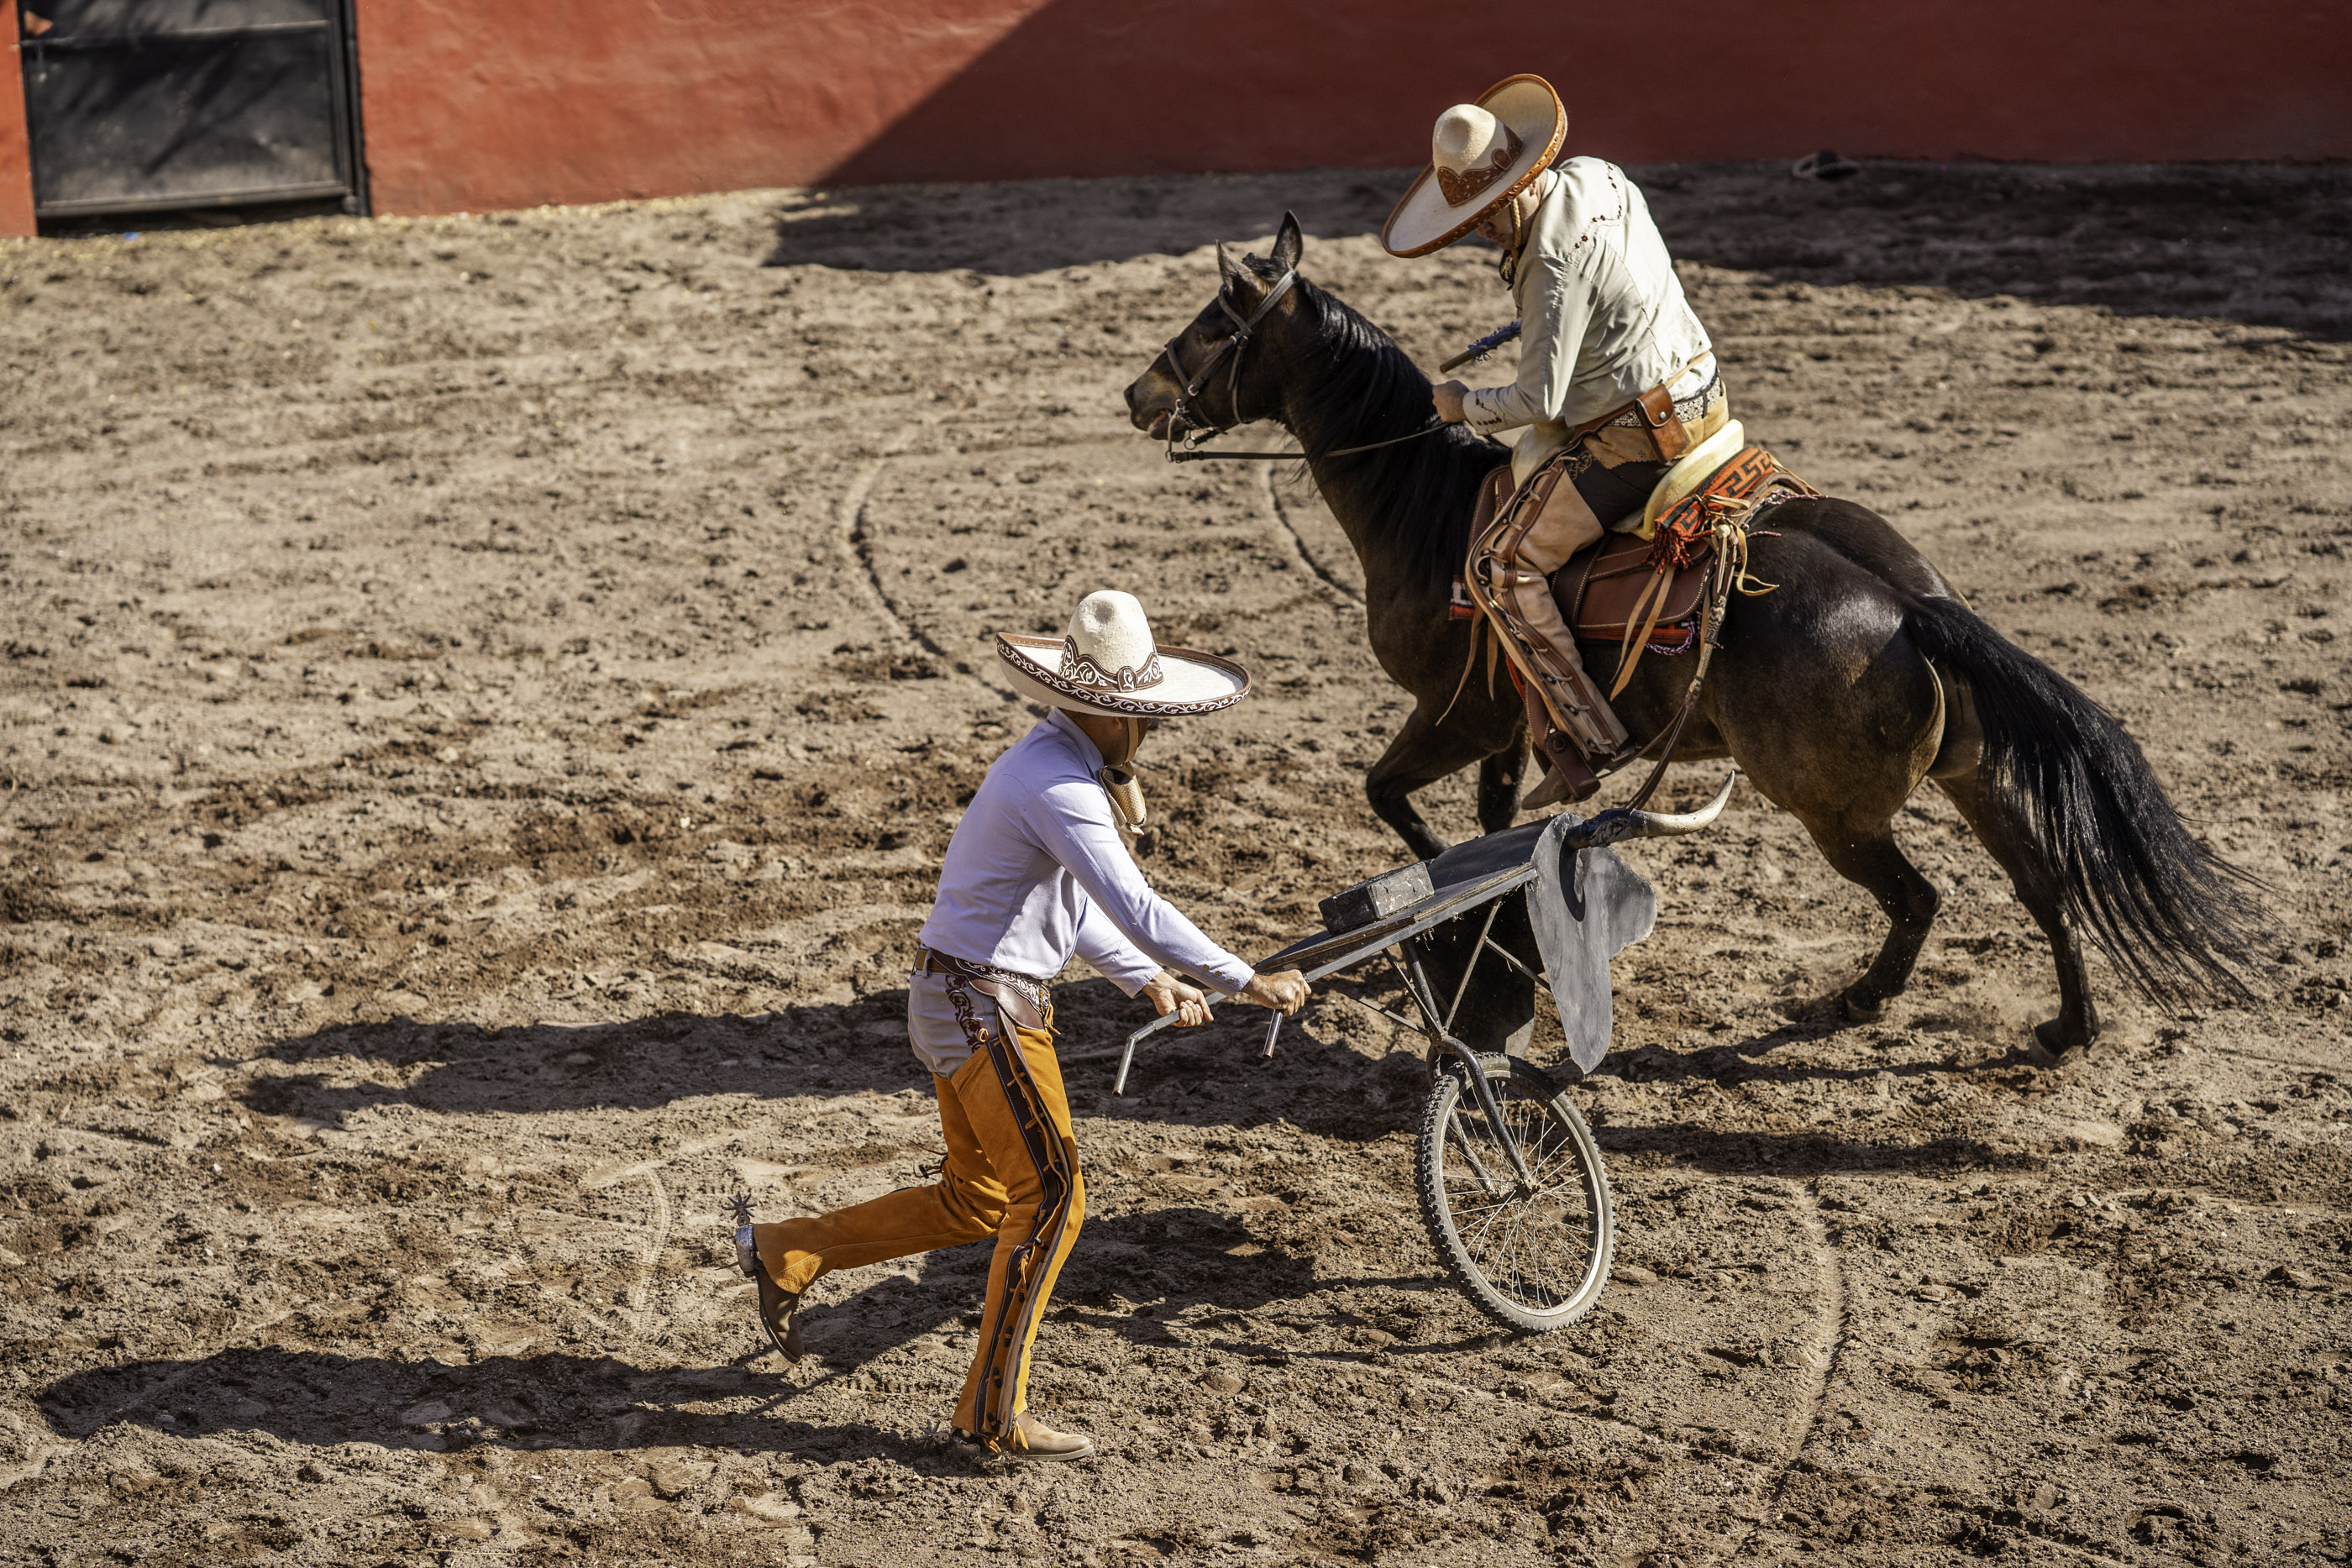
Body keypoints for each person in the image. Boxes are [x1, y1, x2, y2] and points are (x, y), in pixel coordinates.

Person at [734, 590, 1310, 1463]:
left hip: (952, 998)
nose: (1149, 738)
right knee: (1054, 1198)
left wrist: (1146, 977)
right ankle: (989, 1415)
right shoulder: (1062, 785)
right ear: (1114, 716)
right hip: (985, 1008)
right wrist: (1246, 978)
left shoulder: (1047, 768)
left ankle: (790, 1250)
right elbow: (1137, 905)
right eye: (1146, 722)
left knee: (981, 1199)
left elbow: (1068, 911)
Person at [1383, 74, 1731, 807]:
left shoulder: (1546, 262)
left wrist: (1463, 405)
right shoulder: (1599, 175)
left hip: (1639, 438)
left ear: (1516, 188)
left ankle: (1590, 734)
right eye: (1470, 221)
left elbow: (1538, 401)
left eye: (1486, 215)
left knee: (1502, 565)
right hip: (1703, 388)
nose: (1481, 232)